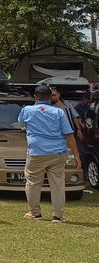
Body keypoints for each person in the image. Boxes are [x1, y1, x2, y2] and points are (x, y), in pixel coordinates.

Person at [19, 84, 81, 223]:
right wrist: (76, 155)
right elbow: (69, 134)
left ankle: (35, 212)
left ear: (35, 97)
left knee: (33, 183)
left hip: (36, 152)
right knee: (58, 184)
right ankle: (57, 216)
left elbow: (21, 123)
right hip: (57, 152)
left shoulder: (27, 110)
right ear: (50, 97)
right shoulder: (59, 112)